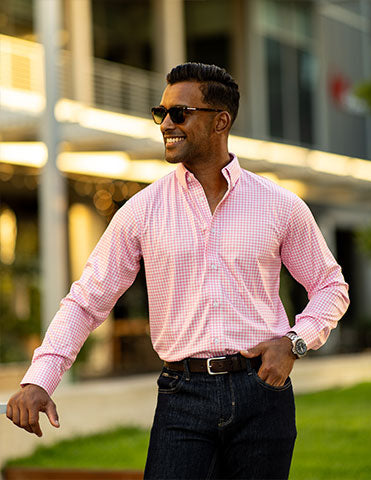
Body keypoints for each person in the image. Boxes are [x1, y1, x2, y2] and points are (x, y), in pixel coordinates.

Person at [7, 62, 349, 479]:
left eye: (180, 113)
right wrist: (39, 379)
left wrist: (293, 343)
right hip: (182, 395)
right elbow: (86, 301)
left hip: (263, 391)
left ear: (220, 121)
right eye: (161, 113)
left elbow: (331, 286)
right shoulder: (142, 211)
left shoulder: (280, 205)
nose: (166, 123)